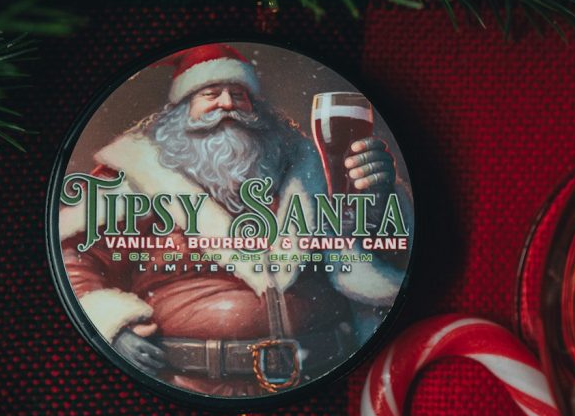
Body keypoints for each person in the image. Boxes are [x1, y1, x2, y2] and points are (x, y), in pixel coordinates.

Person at [59, 44, 411, 397]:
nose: (227, 104)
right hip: (187, 385)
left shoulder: (310, 170)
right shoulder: (133, 176)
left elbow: (372, 256)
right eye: (211, 94)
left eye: (239, 95)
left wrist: (376, 197)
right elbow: (74, 258)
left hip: (326, 376)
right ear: (181, 111)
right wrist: (110, 327)